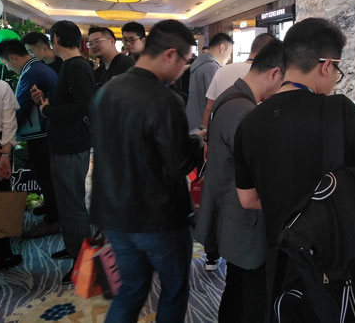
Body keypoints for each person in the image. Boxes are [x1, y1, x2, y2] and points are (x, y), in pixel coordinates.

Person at [234, 18, 355, 322]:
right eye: (337, 71)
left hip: (284, 261)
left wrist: (289, 202)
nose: (335, 79)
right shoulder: (339, 111)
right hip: (340, 262)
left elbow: (247, 199)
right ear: (326, 65)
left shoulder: (249, 121)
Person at [90, 19, 205, 323]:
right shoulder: (165, 99)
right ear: (169, 54)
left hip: (115, 214)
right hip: (159, 217)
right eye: (185, 60)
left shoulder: (107, 90)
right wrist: (196, 142)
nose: (183, 68)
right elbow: (178, 164)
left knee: (130, 290)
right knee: (174, 289)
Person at [195, 39, 284, 323]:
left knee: (236, 291)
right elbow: (260, 172)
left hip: (229, 211)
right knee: (250, 298)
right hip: (244, 220)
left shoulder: (230, 95)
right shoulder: (246, 112)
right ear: (274, 73)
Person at [30, 20, 95, 283]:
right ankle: (74, 250)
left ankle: (84, 263)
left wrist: (47, 110)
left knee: (73, 205)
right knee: (68, 204)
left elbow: (82, 107)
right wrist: (46, 101)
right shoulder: (69, 65)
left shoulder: (77, 66)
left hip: (71, 146)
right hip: (65, 144)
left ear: (56, 39)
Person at [0, 40, 59, 239]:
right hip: (45, 132)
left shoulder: (31, 72)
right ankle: (51, 209)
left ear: (12, 57)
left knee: (45, 176)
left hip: (41, 134)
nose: (7, 68)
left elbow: (19, 109)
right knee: (45, 175)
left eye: (6, 63)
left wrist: (8, 137)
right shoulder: (38, 68)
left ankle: (53, 219)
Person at [201, 32, 274, 127]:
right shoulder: (266, 75)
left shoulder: (222, 70)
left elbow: (209, 108)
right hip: (250, 129)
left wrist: (206, 132)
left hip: (220, 128)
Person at [0, 78, 22, 271]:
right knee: (0, 199)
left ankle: (3, 253)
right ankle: (3, 254)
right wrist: (5, 154)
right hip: (0, 147)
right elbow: (9, 124)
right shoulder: (1, 86)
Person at [186, 32, 233, 131]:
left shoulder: (199, 63)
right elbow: (214, 102)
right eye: (230, 52)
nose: (229, 57)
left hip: (192, 120)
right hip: (202, 125)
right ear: (222, 47)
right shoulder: (212, 67)